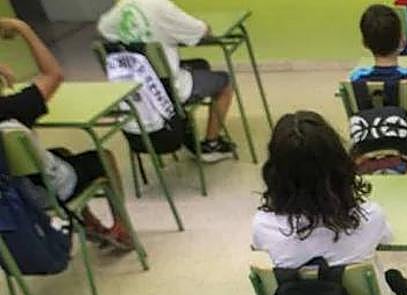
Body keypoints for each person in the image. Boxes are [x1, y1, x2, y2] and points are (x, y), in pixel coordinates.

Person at [251, 111, 407, 295]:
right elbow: (387, 238)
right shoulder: (369, 216)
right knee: (401, 283)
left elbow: (260, 247)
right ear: (339, 162)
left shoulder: (262, 224)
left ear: (275, 170)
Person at [0, 17, 133, 250]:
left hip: (8, 199)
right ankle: (123, 229)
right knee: (104, 158)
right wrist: (24, 28)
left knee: (62, 153)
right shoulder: (14, 108)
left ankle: (90, 224)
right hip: (39, 194)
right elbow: (53, 74)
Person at [97, 0, 236, 162]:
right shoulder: (161, 6)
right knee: (226, 81)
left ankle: (185, 128)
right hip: (168, 89)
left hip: (136, 89)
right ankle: (212, 145)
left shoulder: (120, 8)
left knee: (201, 65)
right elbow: (203, 31)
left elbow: (103, 30)